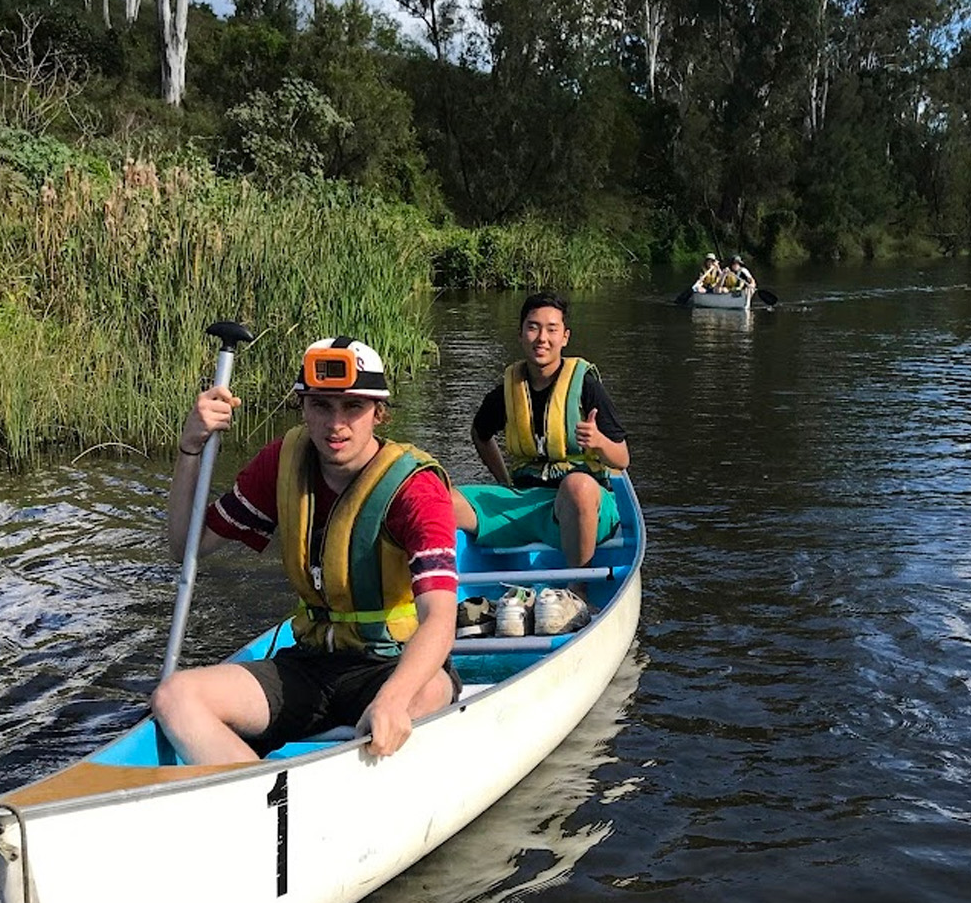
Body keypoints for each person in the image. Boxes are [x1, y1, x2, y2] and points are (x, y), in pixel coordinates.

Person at [151, 337, 460, 764]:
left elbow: (440, 619)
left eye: (353, 407)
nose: (337, 424)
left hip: (390, 662)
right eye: (321, 406)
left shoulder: (416, 488)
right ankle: (257, 800)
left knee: (428, 691)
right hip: (310, 664)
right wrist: (190, 449)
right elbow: (186, 546)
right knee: (175, 696)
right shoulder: (282, 463)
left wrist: (392, 698)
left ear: (378, 414)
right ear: (303, 407)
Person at [452, 291, 631, 598]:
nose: (542, 338)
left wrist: (599, 442)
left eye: (551, 329)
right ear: (521, 334)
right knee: (439, 498)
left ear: (565, 337)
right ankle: (433, 596)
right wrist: (504, 482)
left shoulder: (587, 387)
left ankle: (578, 592)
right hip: (525, 502)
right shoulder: (506, 393)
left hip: (583, 508)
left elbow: (622, 458)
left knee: (578, 486)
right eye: (533, 328)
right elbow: (480, 434)